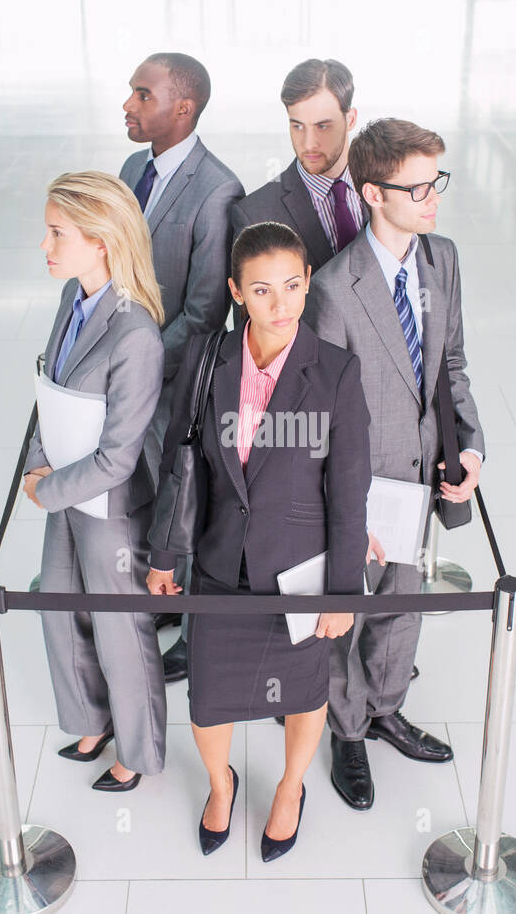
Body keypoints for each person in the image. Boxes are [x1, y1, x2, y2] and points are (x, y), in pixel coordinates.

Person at [146, 223, 372, 861]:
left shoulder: (335, 372)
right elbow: (178, 461)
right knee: (209, 699)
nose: (282, 303)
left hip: (298, 573)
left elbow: (348, 493)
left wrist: (342, 594)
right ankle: (221, 784)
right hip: (219, 563)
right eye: (263, 290)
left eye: (294, 286)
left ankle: (291, 788)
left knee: (303, 693)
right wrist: (165, 557)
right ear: (236, 292)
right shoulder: (207, 357)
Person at [303, 119, 485, 811]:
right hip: (364, 486)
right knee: (348, 612)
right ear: (374, 194)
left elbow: (452, 366)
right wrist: (342, 514)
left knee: (404, 601)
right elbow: (322, 418)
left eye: (437, 181)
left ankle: (385, 707)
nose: (434, 197)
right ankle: (347, 730)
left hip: (422, 473)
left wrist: (469, 448)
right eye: (419, 187)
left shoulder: (443, 260)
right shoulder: (335, 288)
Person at [23, 171, 168, 792]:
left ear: (101, 240)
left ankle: (138, 751)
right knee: (58, 605)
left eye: (57, 233)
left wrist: (44, 490)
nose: (45, 245)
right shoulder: (70, 301)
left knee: (119, 630)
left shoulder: (136, 335)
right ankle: (89, 717)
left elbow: (119, 459)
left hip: (106, 505)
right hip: (62, 486)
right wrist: (37, 464)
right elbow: (49, 388)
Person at [119, 51, 244, 683]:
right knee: (143, 484)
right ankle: (161, 597)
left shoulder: (218, 188)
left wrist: (137, 363)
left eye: (143, 95)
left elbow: (203, 312)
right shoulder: (131, 169)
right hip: (131, 366)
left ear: (183, 107)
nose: (128, 105)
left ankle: (198, 633)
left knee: (185, 497)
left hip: (174, 374)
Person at [231, 58, 367, 274]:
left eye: (322, 126)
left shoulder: (391, 186)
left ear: (350, 120)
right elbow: (250, 308)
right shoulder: (254, 214)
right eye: (297, 126)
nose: (308, 143)